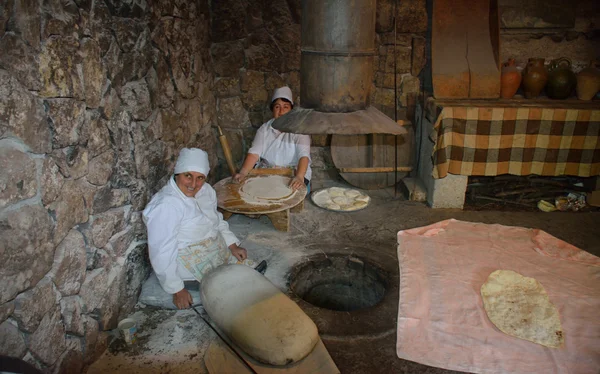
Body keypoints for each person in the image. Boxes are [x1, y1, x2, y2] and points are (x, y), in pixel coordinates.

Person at [142, 148, 266, 309]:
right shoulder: (166, 205)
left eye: (200, 178)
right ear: (178, 173)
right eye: (188, 176)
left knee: (248, 276)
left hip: (212, 247)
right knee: (232, 290)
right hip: (187, 261)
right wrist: (177, 289)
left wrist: (231, 244)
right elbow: (161, 250)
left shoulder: (206, 190)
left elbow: (216, 219)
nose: (194, 184)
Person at [233, 86, 311, 192]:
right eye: (277, 107)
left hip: (294, 173)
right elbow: (254, 153)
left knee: (289, 195)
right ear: (272, 110)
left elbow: (304, 156)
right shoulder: (264, 129)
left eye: (285, 107)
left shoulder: (299, 129)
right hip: (267, 172)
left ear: (291, 109)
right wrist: (243, 172)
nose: (281, 111)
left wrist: (299, 177)